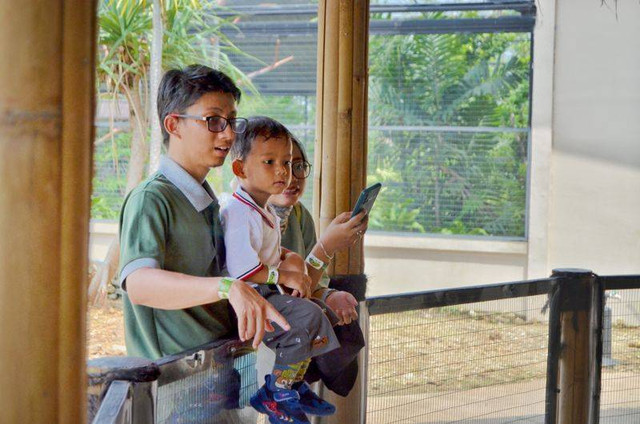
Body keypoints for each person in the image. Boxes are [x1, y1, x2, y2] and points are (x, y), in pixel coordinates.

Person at [118, 65, 290, 364]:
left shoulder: (209, 200)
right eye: (212, 121)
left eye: (232, 121)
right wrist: (228, 288)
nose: (227, 134)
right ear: (173, 125)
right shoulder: (152, 198)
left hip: (218, 371)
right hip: (173, 382)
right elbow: (139, 284)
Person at [221, 116, 342, 424]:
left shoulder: (265, 211)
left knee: (317, 313)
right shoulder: (238, 211)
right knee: (309, 316)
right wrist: (285, 275)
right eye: (270, 162)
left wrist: (293, 260)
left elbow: (272, 253)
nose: (283, 172)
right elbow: (243, 270)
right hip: (250, 297)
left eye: (288, 163)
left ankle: (290, 385)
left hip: (265, 291)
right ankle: (277, 392)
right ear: (240, 168)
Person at [269, 134, 368, 396]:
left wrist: (328, 294)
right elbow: (281, 294)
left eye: (299, 166)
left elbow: (308, 285)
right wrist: (326, 248)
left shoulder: (299, 214)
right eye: (275, 164)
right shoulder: (242, 216)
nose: (291, 177)